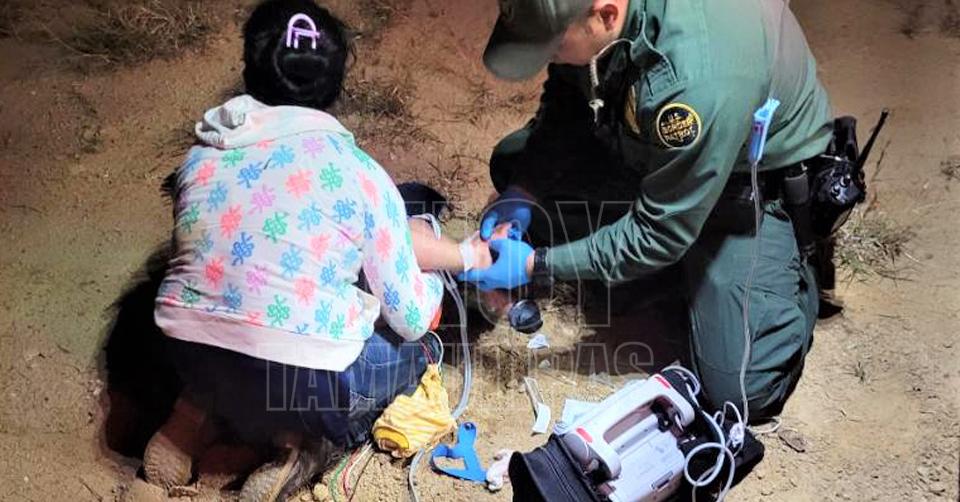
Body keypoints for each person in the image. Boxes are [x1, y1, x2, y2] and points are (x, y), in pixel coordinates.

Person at [141, 1, 490, 499]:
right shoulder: (361, 176)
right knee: (417, 349)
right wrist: (446, 268)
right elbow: (412, 318)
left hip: (189, 354)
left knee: (232, 328)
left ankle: (190, 415)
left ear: (248, 68)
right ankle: (299, 446)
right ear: (335, 84)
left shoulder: (200, 158)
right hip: (303, 387)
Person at [462, 0, 833, 420]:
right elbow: (569, 100)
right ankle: (668, 269)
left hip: (747, 182)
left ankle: (793, 261)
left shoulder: (697, 80)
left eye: (554, 46)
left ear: (605, 15)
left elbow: (659, 233)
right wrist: (523, 191)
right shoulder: (599, 21)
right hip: (665, 151)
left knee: (742, 387)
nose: (549, 58)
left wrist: (539, 264)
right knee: (514, 163)